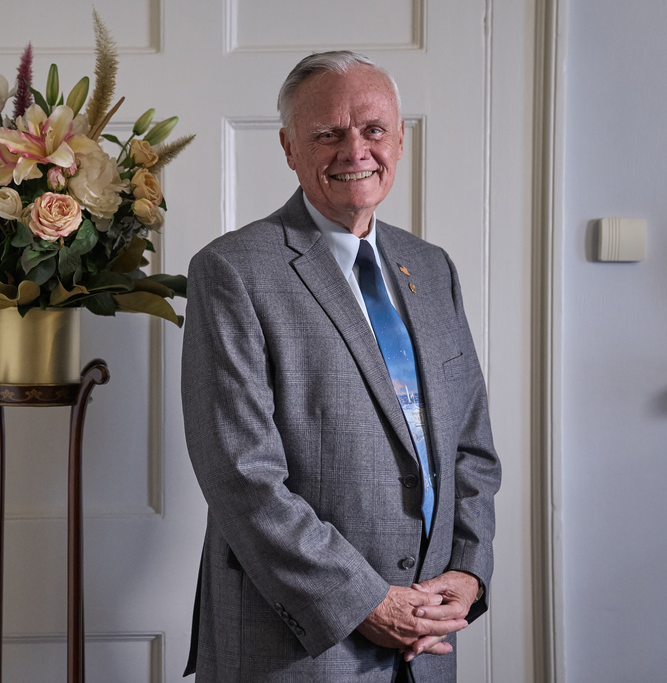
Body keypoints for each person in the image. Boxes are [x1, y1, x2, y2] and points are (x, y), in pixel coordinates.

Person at [180, 51, 502, 682]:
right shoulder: (232, 272)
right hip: (299, 641)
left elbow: (471, 446)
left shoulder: (432, 268)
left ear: (400, 139)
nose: (356, 150)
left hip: (430, 635)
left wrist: (468, 570)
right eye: (327, 133)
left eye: (374, 129)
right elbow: (240, 476)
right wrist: (366, 601)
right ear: (289, 147)